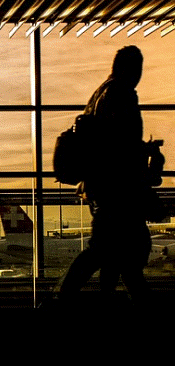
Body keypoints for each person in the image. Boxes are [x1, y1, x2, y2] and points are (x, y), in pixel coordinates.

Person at [55, 46, 162, 306]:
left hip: (101, 187)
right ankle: (67, 299)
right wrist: (146, 154)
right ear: (132, 68)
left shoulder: (100, 94)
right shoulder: (122, 93)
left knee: (112, 251)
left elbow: (108, 142)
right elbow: (120, 145)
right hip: (118, 189)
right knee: (115, 251)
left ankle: (90, 297)